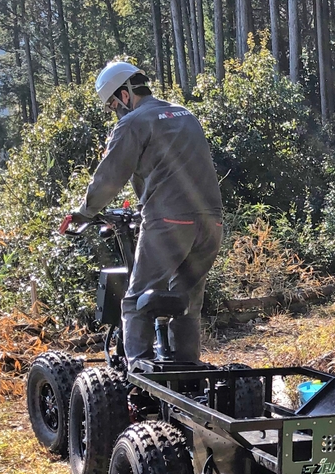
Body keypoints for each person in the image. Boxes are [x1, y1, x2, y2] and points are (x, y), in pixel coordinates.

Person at [60, 60, 223, 366]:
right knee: (188, 301)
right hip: (212, 222)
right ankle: (186, 373)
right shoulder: (185, 114)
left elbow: (109, 177)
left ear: (124, 95)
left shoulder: (133, 122)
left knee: (136, 300)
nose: (115, 112)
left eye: (112, 105)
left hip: (171, 221)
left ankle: (138, 378)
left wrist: (83, 213)